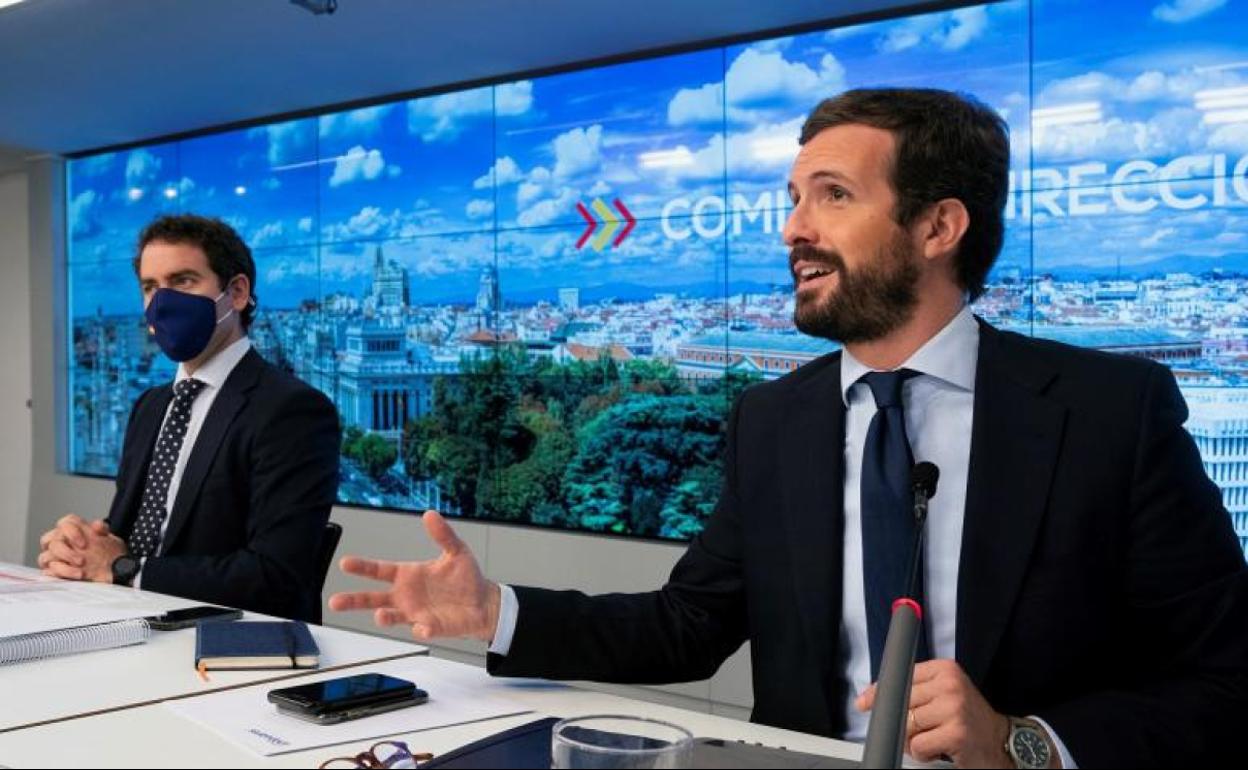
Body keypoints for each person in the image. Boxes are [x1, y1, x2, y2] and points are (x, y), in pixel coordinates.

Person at [328, 89, 1248, 767]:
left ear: (939, 225)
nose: (790, 230)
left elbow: (1223, 680)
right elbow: (689, 625)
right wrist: (498, 613)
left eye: (833, 196)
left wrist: (1025, 744)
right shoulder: (776, 417)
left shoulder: (1109, 412)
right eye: (794, 198)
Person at [39, 214, 340, 623]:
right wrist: (79, 549)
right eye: (150, 287)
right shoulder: (150, 406)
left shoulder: (291, 410)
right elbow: (131, 533)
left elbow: (275, 575)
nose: (162, 302)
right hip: (124, 624)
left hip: (226, 644)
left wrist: (125, 570)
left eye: (182, 281)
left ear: (236, 293)